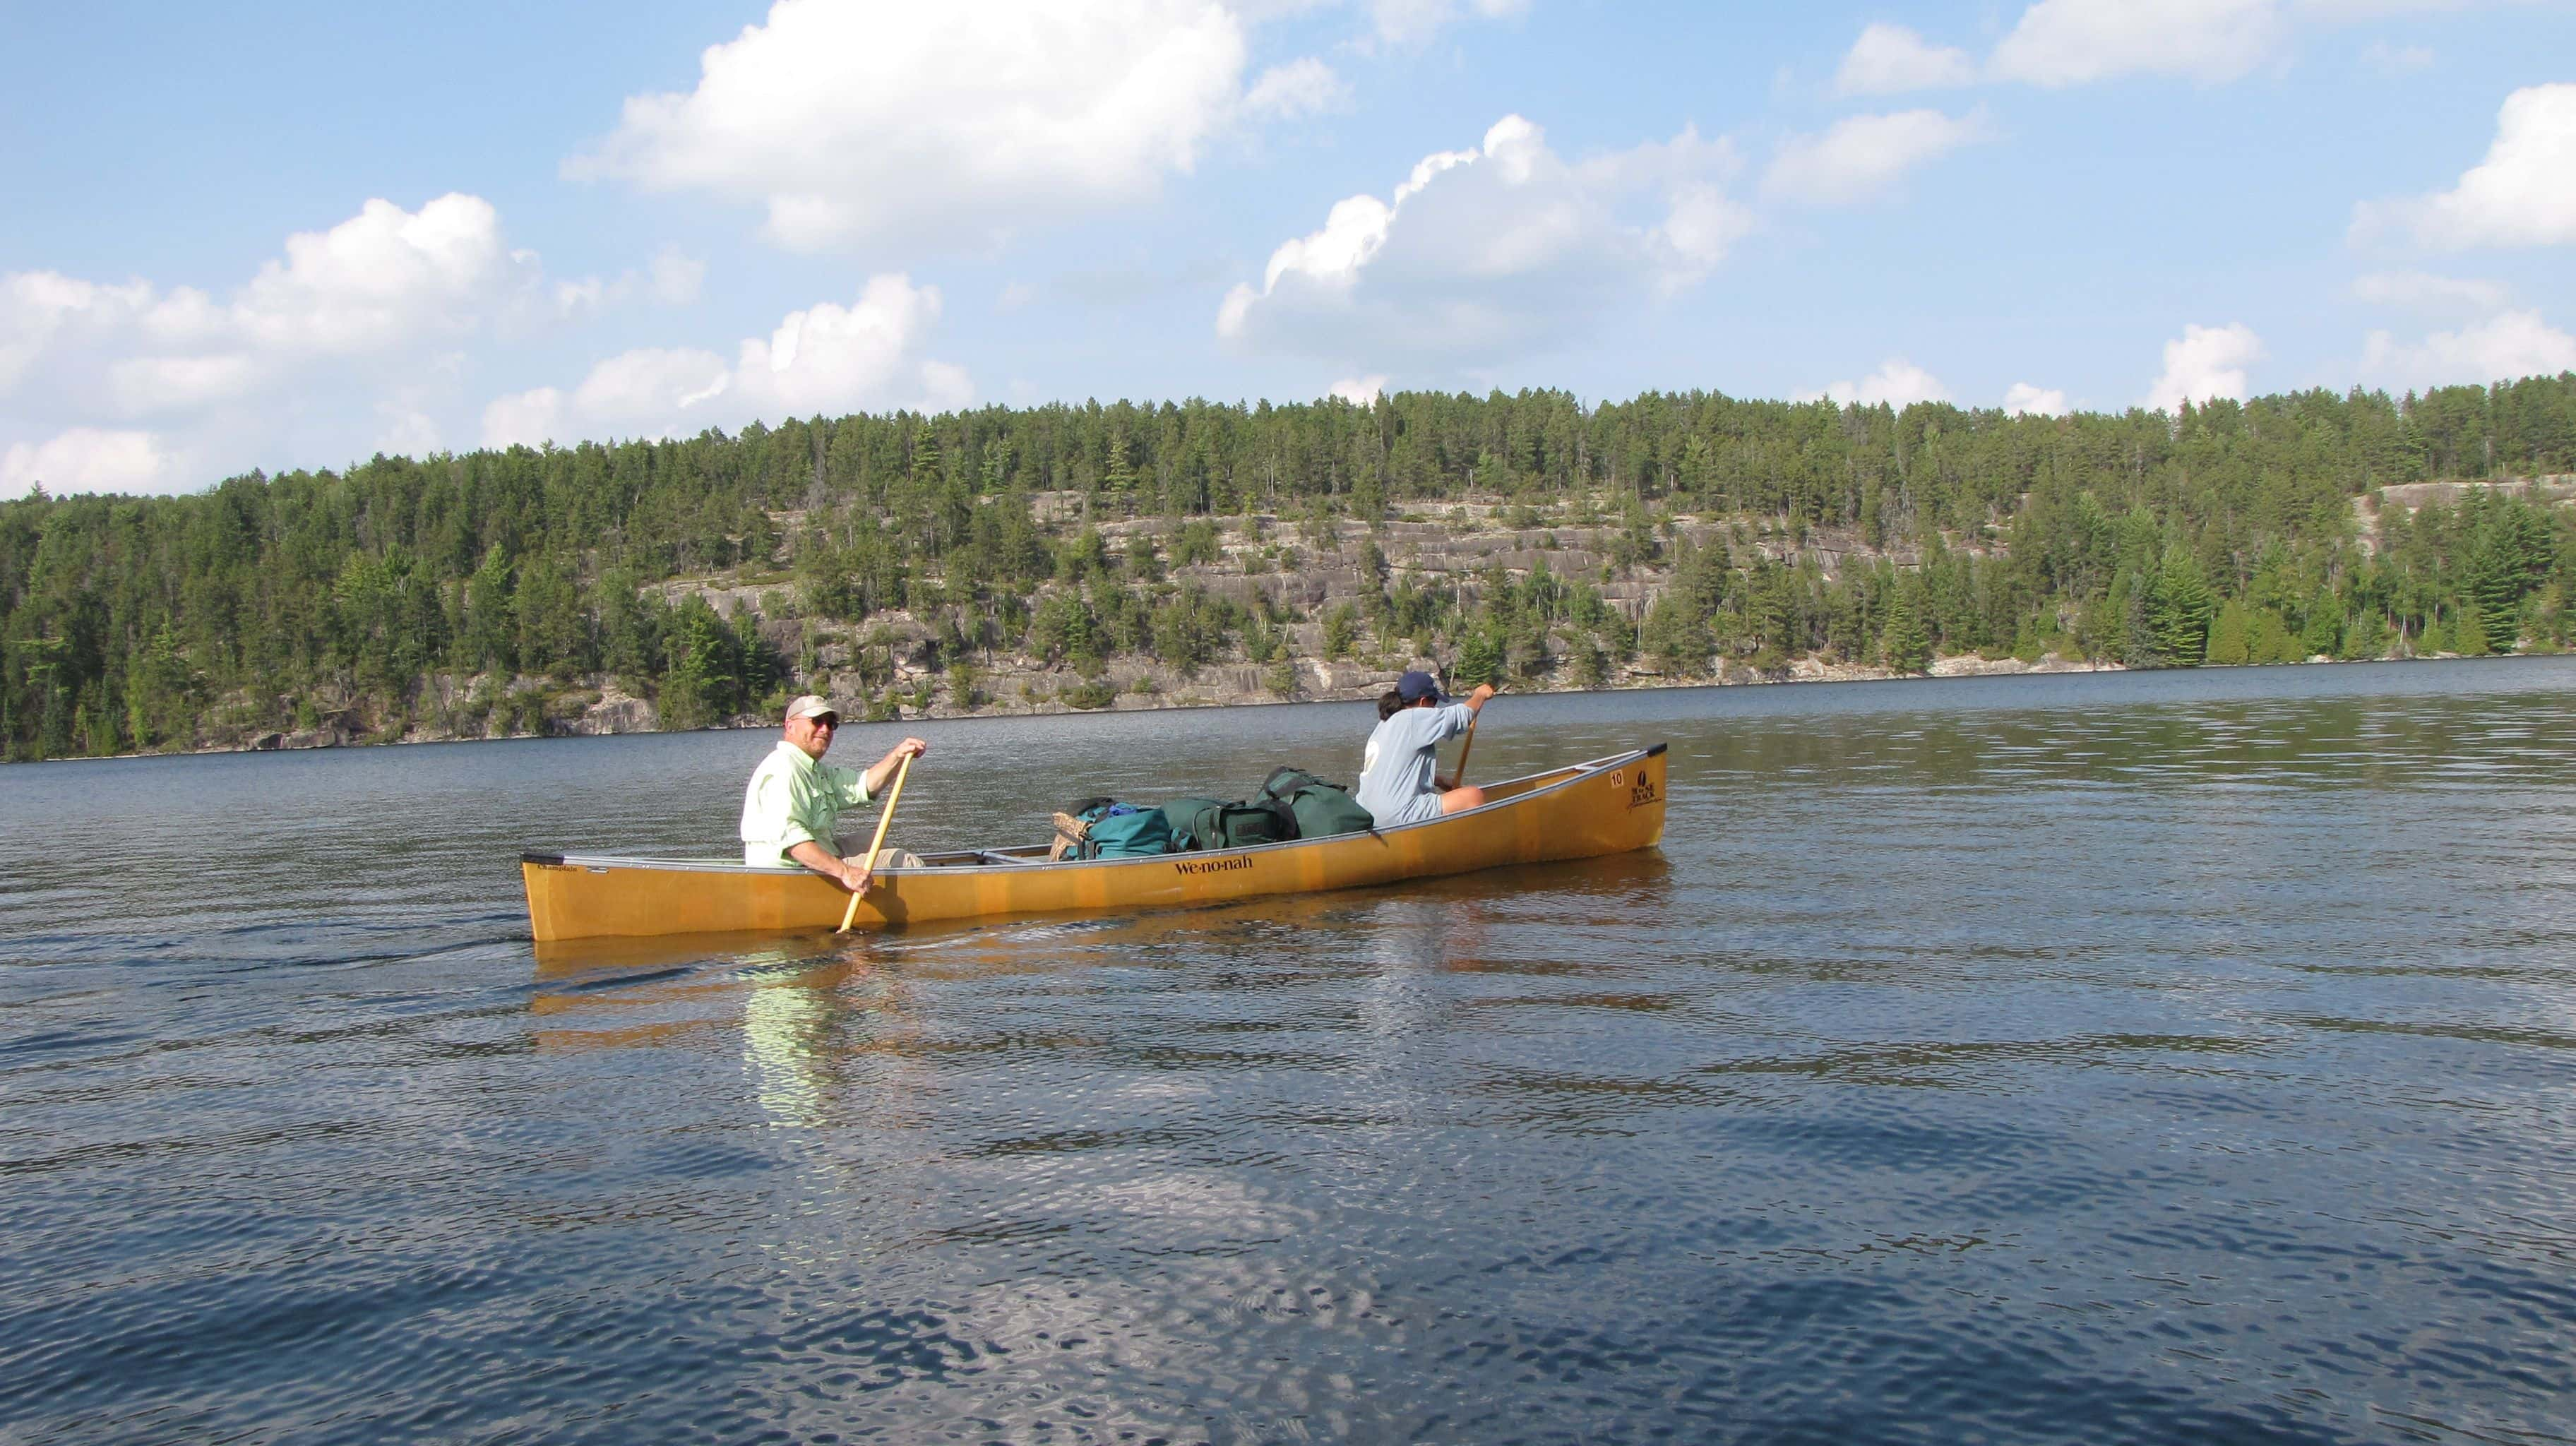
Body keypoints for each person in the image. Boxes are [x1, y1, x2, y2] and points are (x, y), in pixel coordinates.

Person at [739, 694, 928, 895]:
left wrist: (897, 756)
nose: (825, 729)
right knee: (905, 862)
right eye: (817, 721)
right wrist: (845, 872)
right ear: (790, 726)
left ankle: (886, 893)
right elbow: (794, 844)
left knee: (872, 841)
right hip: (789, 872)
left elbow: (863, 786)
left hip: (814, 852)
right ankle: (929, 904)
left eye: (831, 724)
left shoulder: (813, 769)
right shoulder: (784, 770)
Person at [1354, 671, 1496, 828]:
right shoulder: (1413, 717)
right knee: (1472, 796)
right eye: (1434, 702)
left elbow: (1392, 771)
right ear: (1423, 702)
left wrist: (1437, 780)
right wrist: (1479, 695)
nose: (1435, 708)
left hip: (1367, 814)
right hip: (1395, 814)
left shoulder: (1384, 725)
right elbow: (1461, 716)